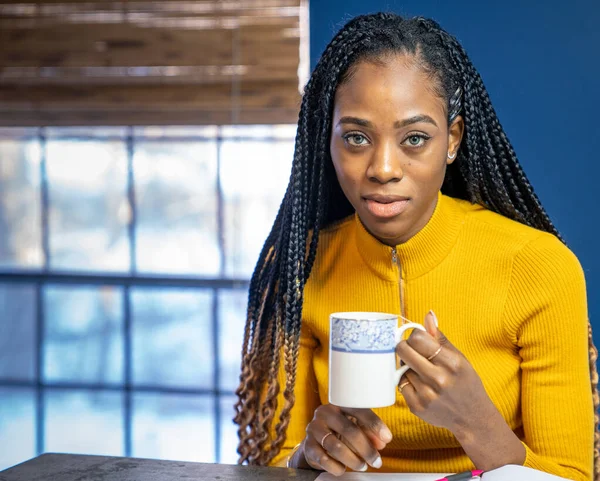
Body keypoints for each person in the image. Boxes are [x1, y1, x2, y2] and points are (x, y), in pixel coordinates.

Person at [233, 12, 598, 481]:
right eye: (357, 138)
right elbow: (267, 463)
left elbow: (571, 475)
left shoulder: (540, 268)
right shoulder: (298, 266)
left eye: (415, 138)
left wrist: (475, 420)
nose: (383, 168)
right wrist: (309, 454)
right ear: (328, 140)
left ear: (453, 140)